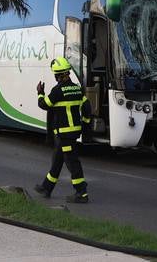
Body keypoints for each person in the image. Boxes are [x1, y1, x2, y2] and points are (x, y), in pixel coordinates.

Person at [33, 56, 90, 203]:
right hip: (72, 132)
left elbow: (44, 104)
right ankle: (46, 187)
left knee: (72, 163)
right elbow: (87, 107)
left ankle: (81, 193)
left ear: (57, 75)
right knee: (57, 160)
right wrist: (84, 125)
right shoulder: (77, 89)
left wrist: (40, 92)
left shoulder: (58, 91)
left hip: (65, 133)